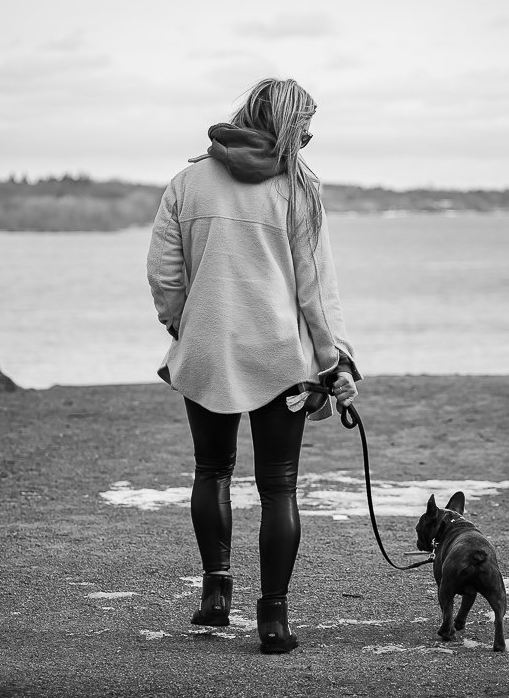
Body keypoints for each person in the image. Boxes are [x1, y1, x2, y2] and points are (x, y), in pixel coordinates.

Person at [146, 77, 360, 654]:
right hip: (280, 359)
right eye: (305, 124)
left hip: (208, 350)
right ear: (285, 124)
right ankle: (273, 619)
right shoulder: (299, 189)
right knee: (279, 488)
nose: (310, 136)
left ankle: (216, 593)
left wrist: (182, 327)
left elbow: (164, 274)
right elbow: (315, 290)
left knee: (211, 471)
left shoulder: (187, 182)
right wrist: (334, 360)